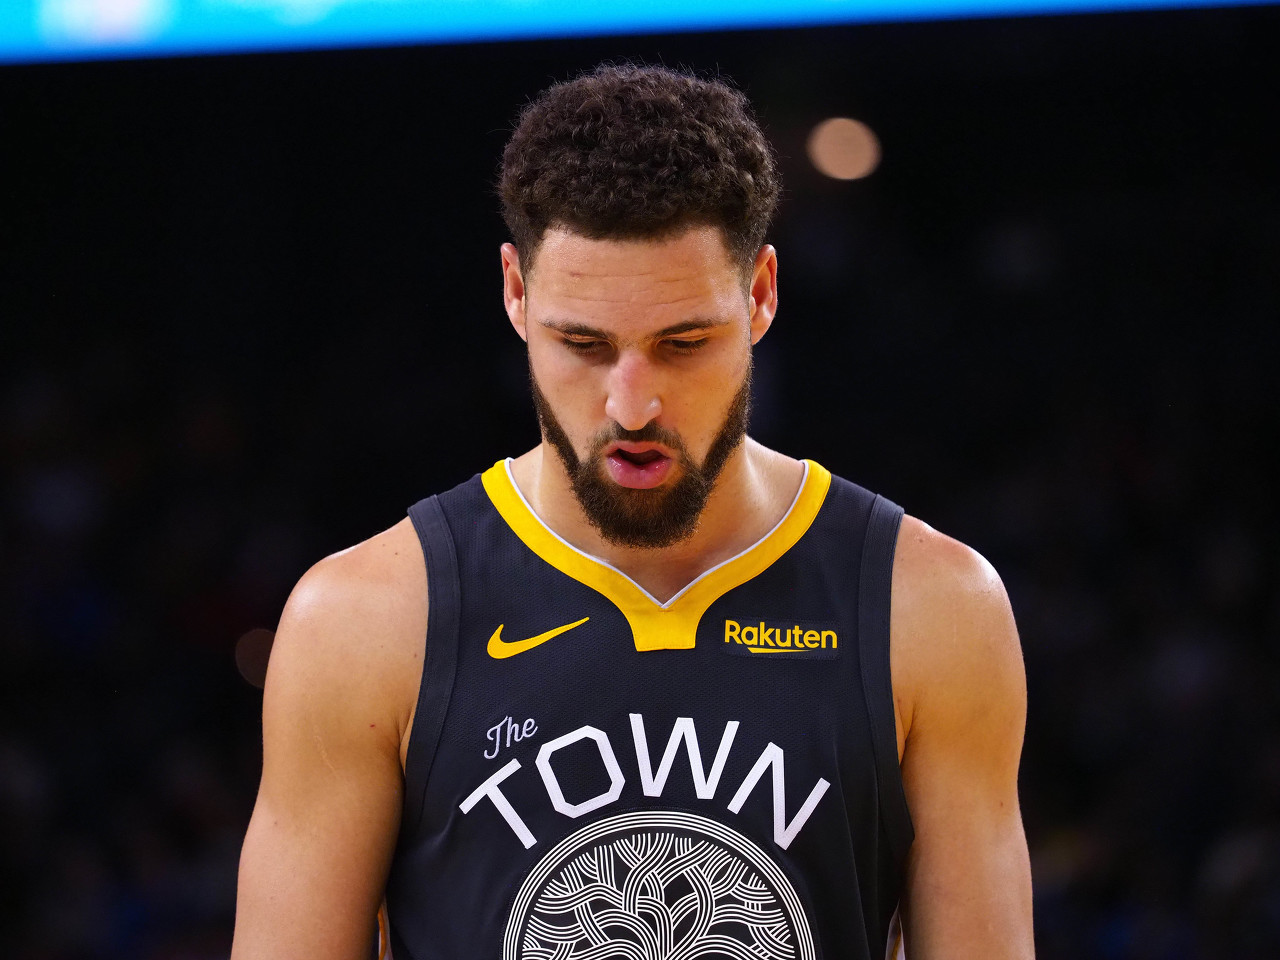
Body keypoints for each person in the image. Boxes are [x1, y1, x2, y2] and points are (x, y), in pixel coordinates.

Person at [230, 64, 1033, 960]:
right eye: (582, 344)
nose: (632, 404)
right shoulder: (362, 621)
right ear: (515, 292)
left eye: (683, 343)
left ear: (761, 292)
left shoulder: (932, 606)